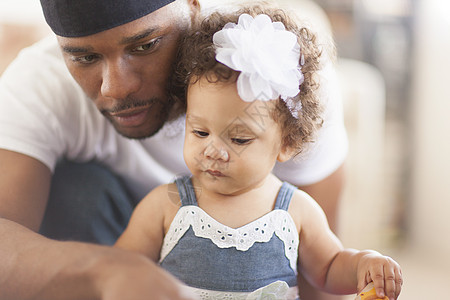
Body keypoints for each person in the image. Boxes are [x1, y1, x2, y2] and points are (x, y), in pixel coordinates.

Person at [0, 0, 347, 299]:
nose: (117, 88)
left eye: (145, 46)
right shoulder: (39, 84)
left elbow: (317, 264)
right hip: (114, 257)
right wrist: (107, 270)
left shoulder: (274, 73)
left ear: (193, 4)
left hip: (254, 265)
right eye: (85, 57)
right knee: (77, 191)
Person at [115, 8, 402, 300]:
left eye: (239, 139)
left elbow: (328, 268)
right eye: (200, 132)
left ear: (286, 143)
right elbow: (118, 270)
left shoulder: (296, 211)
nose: (213, 150)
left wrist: (362, 265)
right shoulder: (165, 207)